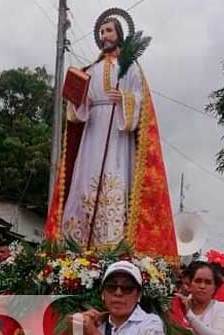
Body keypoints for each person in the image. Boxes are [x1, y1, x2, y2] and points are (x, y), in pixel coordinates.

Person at [45, 11, 177, 257]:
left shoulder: (131, 69)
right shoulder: (90, 69)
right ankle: (78, 244)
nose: (104, 36)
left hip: (117, 133)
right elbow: (77, 112)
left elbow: (141, 103)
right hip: (93, 131)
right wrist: (76, 99)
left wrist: (125, 100)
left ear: (119, 34)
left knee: (114, 180)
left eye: (109, 31)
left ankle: (112, 246)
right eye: (102, 32)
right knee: (85, 181)